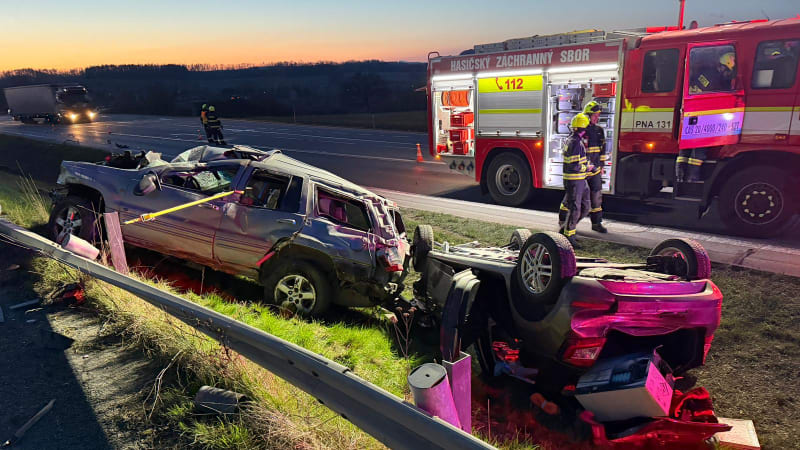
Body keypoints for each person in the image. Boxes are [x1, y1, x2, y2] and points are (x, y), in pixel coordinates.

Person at [679, 51, 736, 182]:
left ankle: (680, 176)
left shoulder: (704, 74)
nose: (727, 73)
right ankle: (693, 178)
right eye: (727, 70)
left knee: (685, 150)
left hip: (690, 114)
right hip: (703, 116)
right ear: (722, 66)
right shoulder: (717, 80)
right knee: (699, 151)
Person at [558, 113, 591, 248]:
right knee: (575, 208)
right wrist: (587, 168)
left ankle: (565, 226)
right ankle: (569, 236)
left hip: (580, 180)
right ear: (583, 128)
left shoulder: (574, 140)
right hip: (575, 180)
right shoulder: (575, 142)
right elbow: (574, 166)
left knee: (585, 206)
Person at [583, 101, 608, 233]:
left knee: (597, 198)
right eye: (594, 115)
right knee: (575, 198)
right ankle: (565, 222)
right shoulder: (581, 130)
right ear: (588, 115)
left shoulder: (599, 130)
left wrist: (601, 165)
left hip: (595, 169)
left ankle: (597, 223)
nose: (596, 118)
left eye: (598, 115)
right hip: (582, 171)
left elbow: (602, 149)